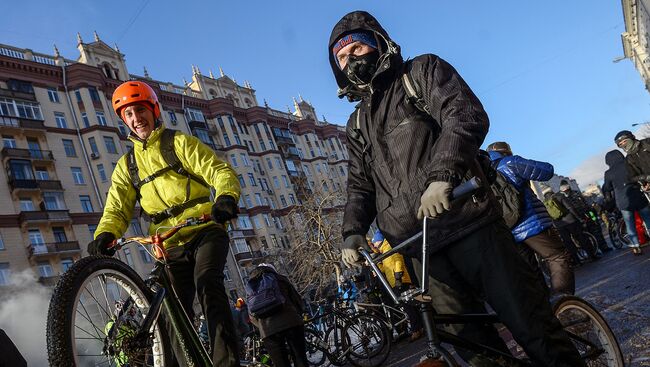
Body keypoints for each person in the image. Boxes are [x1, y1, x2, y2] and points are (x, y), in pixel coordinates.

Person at [330, 11, 584, 367]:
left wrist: (443, 176)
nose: (351, 60)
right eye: (342, 58)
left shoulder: (420, 72)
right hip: (420, 248)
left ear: (378, 43)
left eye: (357, 48)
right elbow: (360, 184)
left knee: (532, 325)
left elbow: (464, 115)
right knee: (475, 351)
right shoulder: (356, 123)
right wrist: (352, 231)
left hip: (470, 222)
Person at [87, 80, 241, 366]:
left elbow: (218, 170)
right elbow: (117, 207)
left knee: (208, 284)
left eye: (140, 110)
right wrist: (105, 233)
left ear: (153, 110)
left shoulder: (177, 142)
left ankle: (226, 363)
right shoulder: (127, 165)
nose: (136, 119)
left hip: (205, 229)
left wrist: (226, 198)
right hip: (168, 243)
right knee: (171, 311)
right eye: (128, 115)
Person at [486, 142, 575, 295]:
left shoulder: (483, 172)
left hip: (507, 231)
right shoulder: (510, 163)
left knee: (531, 273)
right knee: (558, 257)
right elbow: (547, 170)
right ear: (506, 152)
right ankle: (564, 305)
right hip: (532, 224)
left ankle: (546, 312)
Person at [248, 264, 309, 367]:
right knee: (300, 359)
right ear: (272, 269)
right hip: (292, 323)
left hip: (268, 331)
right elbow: (297, 301)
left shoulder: (251, 287)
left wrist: (262, 328)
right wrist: (299, 314)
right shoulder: (280, 279)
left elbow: (252, 315)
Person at [370, 230, 423, 342]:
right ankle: (420, 326)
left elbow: (398, 260)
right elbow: (385, 268)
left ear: (380, 241)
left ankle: (416, 329)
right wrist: (378, 265)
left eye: (375, 243)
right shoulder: (384, 251)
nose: (374, 245)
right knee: (409, 305)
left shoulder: (389, 247)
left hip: (400, 280)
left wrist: (398, 276)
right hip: (394, 281)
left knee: (408, 306)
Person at [602, 149, 650, 255]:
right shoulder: (629, 164)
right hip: (638, 196)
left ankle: (635, 246)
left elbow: (607, 187)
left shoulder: (609, 173)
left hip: (623, 201)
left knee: (630, 224)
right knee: (647, 219)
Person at [553, 180, 601, 262]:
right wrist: (579, 218)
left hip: (559, 224)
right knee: (582, 238)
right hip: (571, 221)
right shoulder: (561, 196)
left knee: (568, 242)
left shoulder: (550, 199)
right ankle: (591, 256)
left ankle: (576, 261)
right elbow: (570, 208)